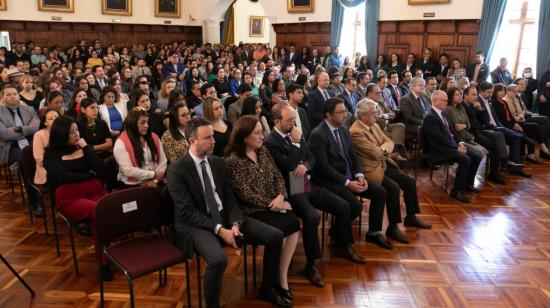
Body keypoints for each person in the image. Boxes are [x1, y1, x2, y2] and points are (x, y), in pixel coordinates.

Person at [166, 117, 288, 307]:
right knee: (218, 260)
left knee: (275, 236)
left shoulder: (217, 162)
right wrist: (220, 230)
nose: (214, 141)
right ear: (193, 141)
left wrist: (235, 223)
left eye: (213, 136)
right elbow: (187, 211)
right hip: (197, 224)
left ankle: (268, 288)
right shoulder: (176, 170)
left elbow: (229, 198)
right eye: (208, 138)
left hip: (225, 217)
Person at [224, 115, 300, 306]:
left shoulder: (263, 151)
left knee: (292, 222)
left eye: (261, 132)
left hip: (272, 204)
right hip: (250, 211)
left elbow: (278, 177)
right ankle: (269, 286)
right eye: (257, 133)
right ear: (244, 137)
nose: (262, 136)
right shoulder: (234, 160)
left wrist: (281, 197)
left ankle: (281, 278)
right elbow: (244, 194)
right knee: (280, 231)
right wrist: (273, 204)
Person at [309, 98, 391, 250]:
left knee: (380, 192)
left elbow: (353, 156)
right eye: (340, 112)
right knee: (354, 206)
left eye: (345, 111)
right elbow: (323, 168)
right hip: (329, 180)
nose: (345, 115)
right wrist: (347, 183)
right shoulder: (318, 135)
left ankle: (373, 233)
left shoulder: (343, 129)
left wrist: (359, 174)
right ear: (328, 115)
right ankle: (342, 242)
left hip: (349, 175)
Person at [351, 99, 432, 238]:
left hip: (383, 163)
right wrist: (384, 149)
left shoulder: (373, 125)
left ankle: (411, 217)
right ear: (362, 115)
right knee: (393, 188)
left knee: (409, 181)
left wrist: (383, 149)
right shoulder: (356, 131)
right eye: (373, 113)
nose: (376, 115)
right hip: (371, 170)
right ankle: (392, 227)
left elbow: (389, 141)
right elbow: (376, 153)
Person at [43, 116, 110, 279]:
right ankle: (104, 262)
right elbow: (63, 176)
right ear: (61, 134)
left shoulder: (82, 145)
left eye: (77, 130)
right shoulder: (50, 154)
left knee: (109, 209)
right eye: (71, 132)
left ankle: (110, 254)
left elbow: (100, 167)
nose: (76, 134)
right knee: (99, 212)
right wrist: (89, 175)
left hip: (95, 190)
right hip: (69, 196)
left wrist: (87, 148)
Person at [421, 90, 482, 203]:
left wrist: (460, 143)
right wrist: (456, 148)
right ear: (435, 101)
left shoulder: (442, 113)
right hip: (438, 149)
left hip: (449, 146)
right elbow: (439, 138)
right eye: (444, 100)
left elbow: (453, 132)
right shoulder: (430, 117)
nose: (446, 102)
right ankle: (457, 191)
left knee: (477, 156)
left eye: (446, 100)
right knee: (465, 160)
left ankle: (468, 184)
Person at [0, 85, 42, 217]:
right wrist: (26, 129)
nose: (13, 96)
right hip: (11, 147)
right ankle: (36, 203)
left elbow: (35, 127)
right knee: (26, 160)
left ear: (18, 95)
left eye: (14, 93)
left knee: (47, 155)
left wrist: (17, 129)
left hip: (31, 143)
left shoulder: (29, 109)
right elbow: (6, 135)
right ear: (2, 98)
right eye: (8, 94)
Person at [475, 81, 530, 177]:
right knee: (516, 135)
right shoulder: (477, 101)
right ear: (481, 91)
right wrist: (499, 127)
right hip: (487, 129)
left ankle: (514, 167)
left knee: (515, 137)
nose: (491, 94)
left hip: (497, 127)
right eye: (488, 92)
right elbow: (482, 121)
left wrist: (502, 127)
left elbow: (495, 118)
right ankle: (508, 162)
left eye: (491, 92)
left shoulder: (489, 101)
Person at [462, 85, 513, 184]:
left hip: (479, 130)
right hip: (472, 133)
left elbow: (484, 121)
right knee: (494, 147)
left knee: (498, 138)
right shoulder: (463, 106)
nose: (475, 97)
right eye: (473, 94)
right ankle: (494, 174)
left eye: (476, 94)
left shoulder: (472, 105)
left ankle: (499, 168)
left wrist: (479, 109)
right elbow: (470, 124)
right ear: (465, 95)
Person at [113, 107, 167, 188]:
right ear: (132, 123)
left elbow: (163, 161)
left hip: (156, 180)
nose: (146, 126)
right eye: (142, 123)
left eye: (147, 122)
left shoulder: (153, 137)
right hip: (133, 184)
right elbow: (128, 170)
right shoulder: (121, 142)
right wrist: (153, 174)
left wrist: (155, 180)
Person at [443, 87, 489, 160]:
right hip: (460, 138)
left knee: (483, 151)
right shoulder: (449, 109)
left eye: (460, 94)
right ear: (451, 97)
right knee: (479, 153)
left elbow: (468, 125)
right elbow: (457, 128)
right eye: (457, 95)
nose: (460, 96)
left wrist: (464, 125)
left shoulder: (460, 107)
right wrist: (469, 136)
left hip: (466, 136)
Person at [33, 109, 59, 186]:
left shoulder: (66, 131)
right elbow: (40, 159)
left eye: (56, 117)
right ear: (45, 123)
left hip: (65, 166)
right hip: (47, 170)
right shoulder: (39, 135)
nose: (55, 120)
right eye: (50, 119)